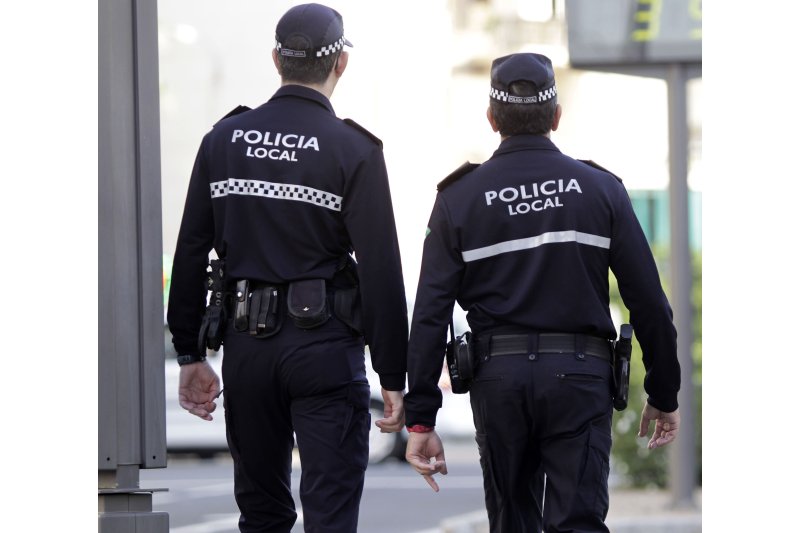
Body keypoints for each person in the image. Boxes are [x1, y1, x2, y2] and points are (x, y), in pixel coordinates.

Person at [402, 52, 682, 532]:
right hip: (580, 379)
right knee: (579, 522)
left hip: (499, 381)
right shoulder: (601, 190)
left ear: (492, 119)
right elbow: (649, 302)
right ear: (556, 116)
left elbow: (430, 313)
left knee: (513, 522)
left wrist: (422, 420)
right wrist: (663, 390)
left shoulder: (458, 199)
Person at [166, 4, 409, 532]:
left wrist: (189, 351)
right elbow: (381, 269)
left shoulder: (223, 140)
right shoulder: (353, 149)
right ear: (340, 63)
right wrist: (393, 375)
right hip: (324, 350)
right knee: (331, 513)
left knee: (262, 514)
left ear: (276, 58)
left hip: (248, 350)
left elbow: (190, 249)